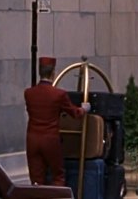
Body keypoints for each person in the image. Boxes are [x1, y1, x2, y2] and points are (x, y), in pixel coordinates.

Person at [24, 57, 89, 186]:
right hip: (50, 139)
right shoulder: (59, 94)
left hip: (32, 139)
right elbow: (75, 113)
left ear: (40, 72)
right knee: (58, 176)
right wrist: (84, 109)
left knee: (36, 180)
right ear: (53, 73)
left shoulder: (28, 93)